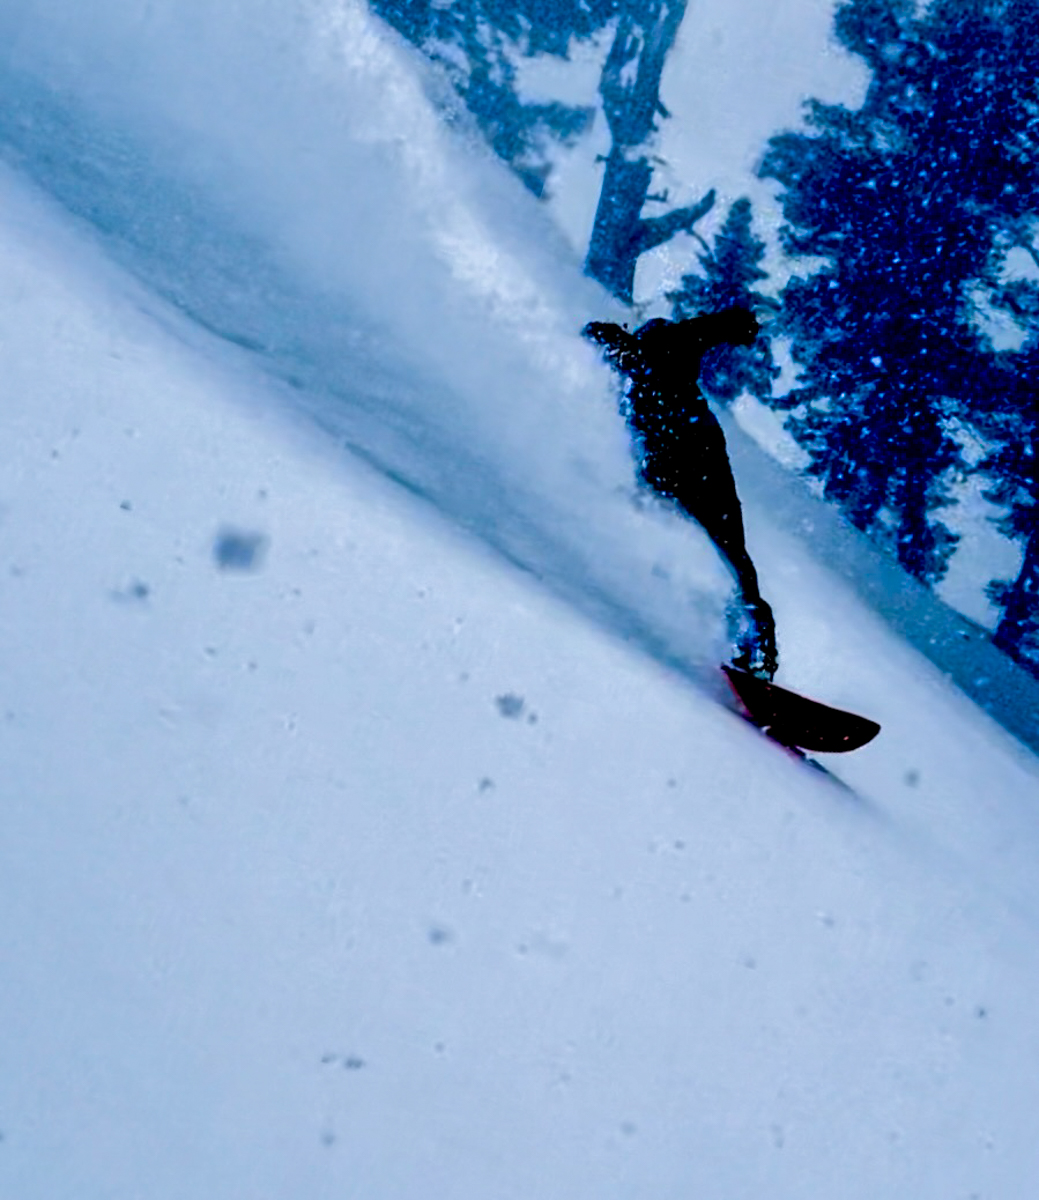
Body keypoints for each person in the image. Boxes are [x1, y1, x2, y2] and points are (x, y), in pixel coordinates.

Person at [583, 306, 778, 679]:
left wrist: (740, 324)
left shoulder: (665, 343)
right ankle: (744, 643)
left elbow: (706, 328)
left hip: (698, 461)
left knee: (731, 553)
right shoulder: (630, 382)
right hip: (683, 467)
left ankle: (754, 647)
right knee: (727, 554)